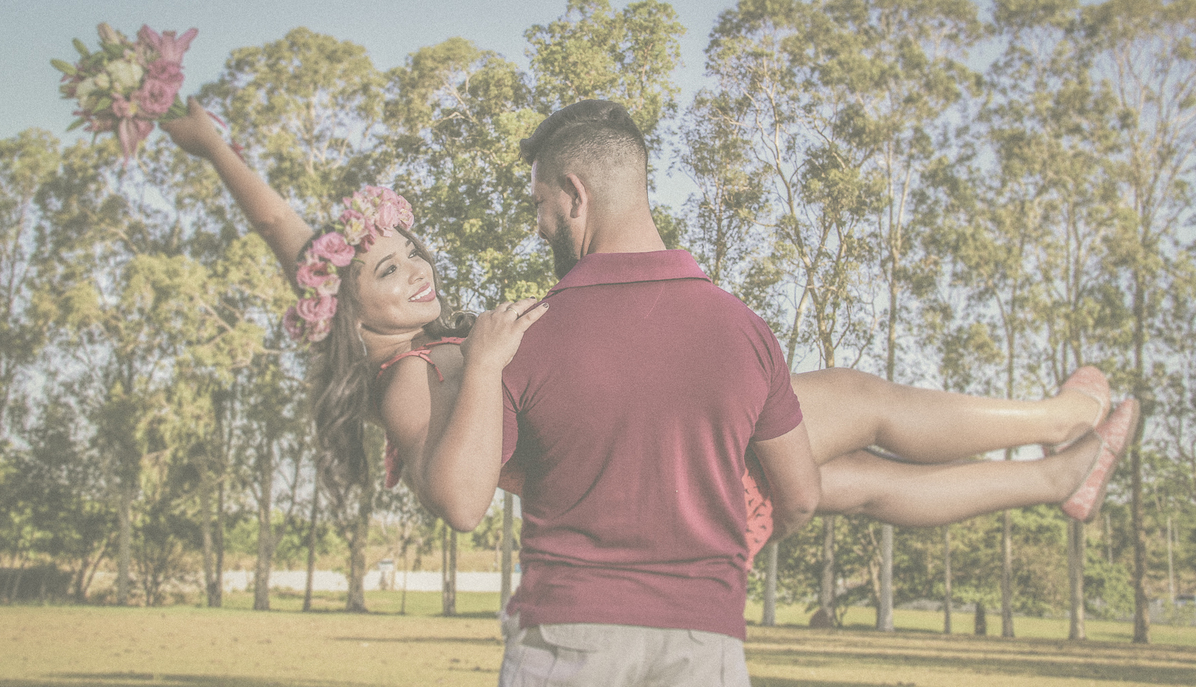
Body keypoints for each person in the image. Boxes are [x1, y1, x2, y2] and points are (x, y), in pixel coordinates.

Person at [161, 98, 1138, 685]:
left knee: (866, 480)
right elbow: (447, 484)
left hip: (640, 488)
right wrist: (486, 362)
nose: (416, 268)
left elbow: (293, 233)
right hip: (652, 499)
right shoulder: (405, 379)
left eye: (410, 250)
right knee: (864, 405)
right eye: (386, 270)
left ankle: (1057, 477)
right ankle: (1065, 420)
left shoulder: (425, 341)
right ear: (345, 308)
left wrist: (213, 147)